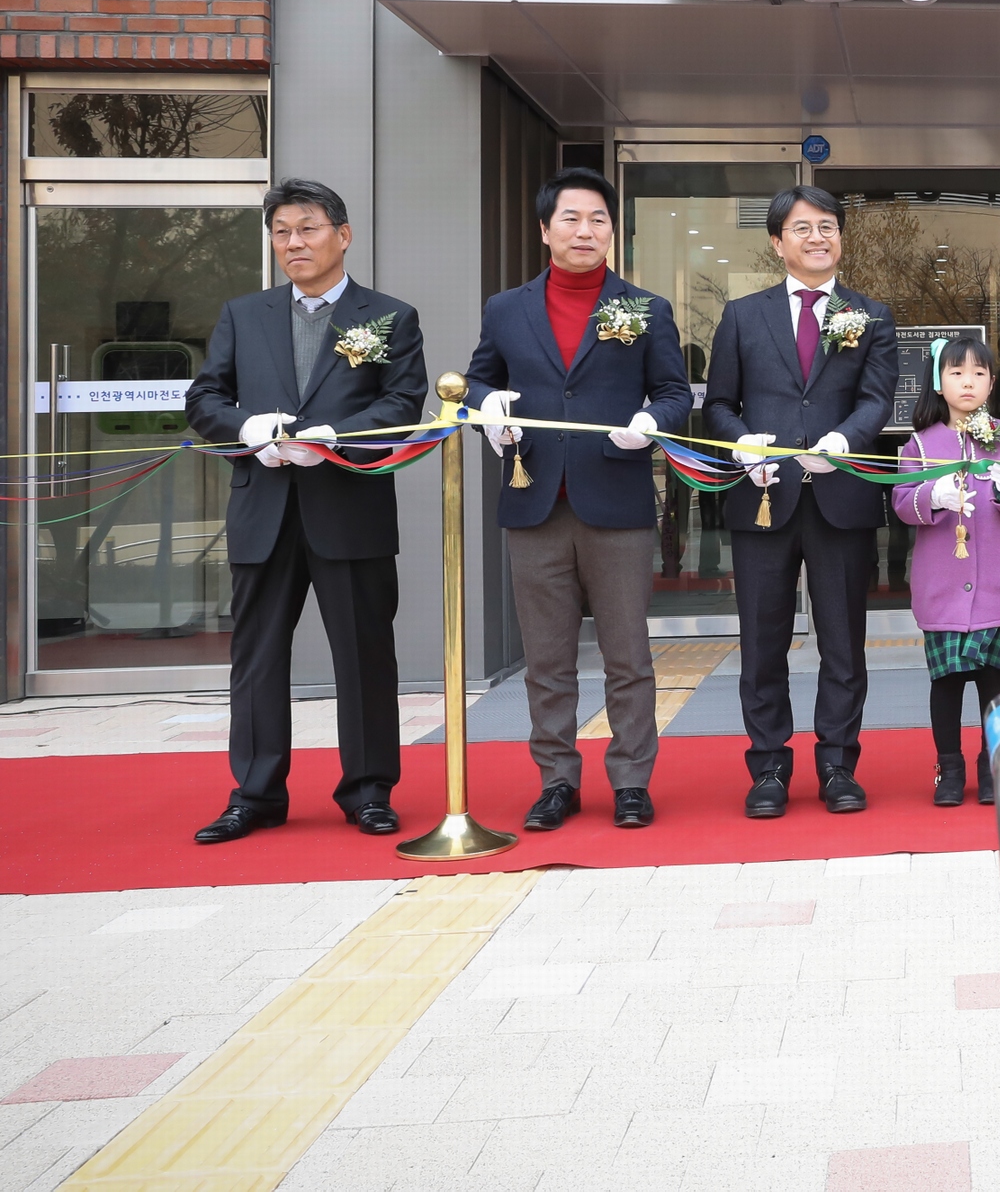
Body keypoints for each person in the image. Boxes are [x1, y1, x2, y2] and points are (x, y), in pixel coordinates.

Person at [185, 179, 428, 844]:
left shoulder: (390, 317)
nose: (293, 242)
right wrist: (246, 429)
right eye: (282, 231)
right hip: (263, 509)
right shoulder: (244, 314)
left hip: (348, 507)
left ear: (342, 236)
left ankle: (369, 791)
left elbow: (402, 403)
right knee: (257, 658)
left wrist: (335, 438)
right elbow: (205, 397)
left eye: (308, 228)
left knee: (364, 655)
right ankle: (255, 794)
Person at [467, 167, 692, 832]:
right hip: (533, 501)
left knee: (628, 656)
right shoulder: (506, 309)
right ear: (545, 230)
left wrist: (651, 423)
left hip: (616, 500)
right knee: (546, 659)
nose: (585, 230)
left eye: (598, 219)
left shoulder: (646, 308)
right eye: (571, 218)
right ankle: (556, 780)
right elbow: (476, 382)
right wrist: (488, 408)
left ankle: (631, 781)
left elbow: (675, 393)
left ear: (612, 231)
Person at [706, 184, 898, 816]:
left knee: (843, 642)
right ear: (777, 242)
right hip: (763, 498)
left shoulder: (871, 315)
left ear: (840, 236)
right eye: (802, 228)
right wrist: (742, 444)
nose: (818, 237)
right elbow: (719, 403)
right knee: (763, 642)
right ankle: (768, 767)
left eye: (827, 226)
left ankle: (838, 765)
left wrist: (845, 439)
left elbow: (876, 398)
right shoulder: (742, 315)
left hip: (841, 497)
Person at [893, 337, 1000, 807]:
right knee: (946, 681)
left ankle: (994, 765)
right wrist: (931, 496)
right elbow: (902, 504)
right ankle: (949, 767)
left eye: (979, 373)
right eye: (956, 373)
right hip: (942, 587)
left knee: (995, 681)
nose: (968, 382)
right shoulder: (919, 444)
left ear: (992, 383)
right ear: (939, 383)